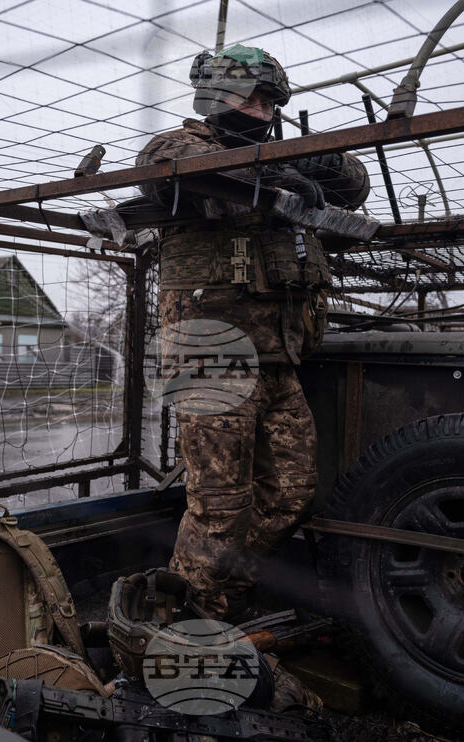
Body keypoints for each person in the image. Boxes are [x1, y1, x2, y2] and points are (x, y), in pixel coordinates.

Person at [135, 44, 369, 621]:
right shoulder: (182, 146)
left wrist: (322, 164)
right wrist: (280, 170)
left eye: (270, 100)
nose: (262, 109)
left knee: (290, 493)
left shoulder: (279, 150)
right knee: (219, 504)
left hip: (277, 358)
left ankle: (218, 592)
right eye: (251, 97)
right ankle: (182, 623)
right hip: (212, 358)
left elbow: (356, 183)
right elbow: (165, 169)